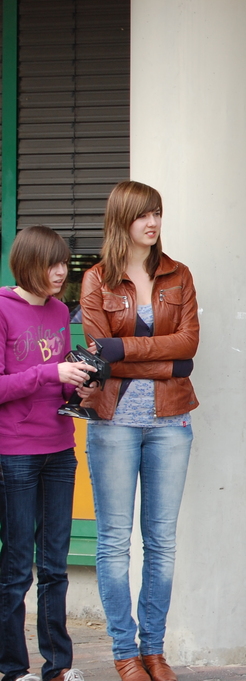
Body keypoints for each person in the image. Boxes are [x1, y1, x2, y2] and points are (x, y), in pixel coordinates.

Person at [79, 181, 200, 681]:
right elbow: (99, 356)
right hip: (114, 424)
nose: (152, 223)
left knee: (162, 544)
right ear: (121, 220)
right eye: (142, 215)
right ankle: (124, 652)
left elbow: (189, 346)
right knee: (113, 542)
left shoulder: (178, 274)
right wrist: (166, 363)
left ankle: (154, 650)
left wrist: (124, 350)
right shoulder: (96, 281)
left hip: (172, 423)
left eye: (157, 213)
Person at [0, 226, 93, 681]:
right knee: (17, 567)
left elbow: (54, 382)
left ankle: (57, 666)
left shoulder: (59, 311)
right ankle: (13, 669)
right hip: (15, 452)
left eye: (64, 263)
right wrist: (49, 373)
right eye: (52, 264)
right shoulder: (2, 309)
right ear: (28, 264)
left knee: (55, 567)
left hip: (59, 448)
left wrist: (77, 384)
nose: (61, 272)